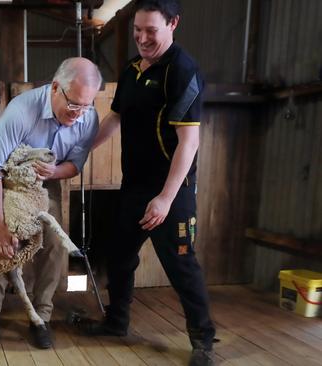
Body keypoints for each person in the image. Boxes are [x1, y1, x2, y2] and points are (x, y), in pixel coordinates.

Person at [88, 1, 215, 365]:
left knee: (181, 266)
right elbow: (114, 119)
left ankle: (203, 342)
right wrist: (80, 152)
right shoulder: (131, 70)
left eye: (151, 31)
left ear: (173, 24)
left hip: (171, 192)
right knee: (119, 256)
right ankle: (116, 323)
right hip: (133, 186)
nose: (142, 38)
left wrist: (164, 199)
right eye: (137, 31)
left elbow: (189, 143)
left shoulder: (183, 71)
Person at [0, 57, 101, 349]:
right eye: (74, 105)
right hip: (10, 179)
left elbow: (75, 164)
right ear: (56, 88)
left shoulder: (87, 116)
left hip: (48, 182)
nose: (79, 113)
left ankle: (41, 316)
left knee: (56, 244)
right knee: (5, 240)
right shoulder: (21, 110)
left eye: (86, 106)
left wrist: (56, 172)